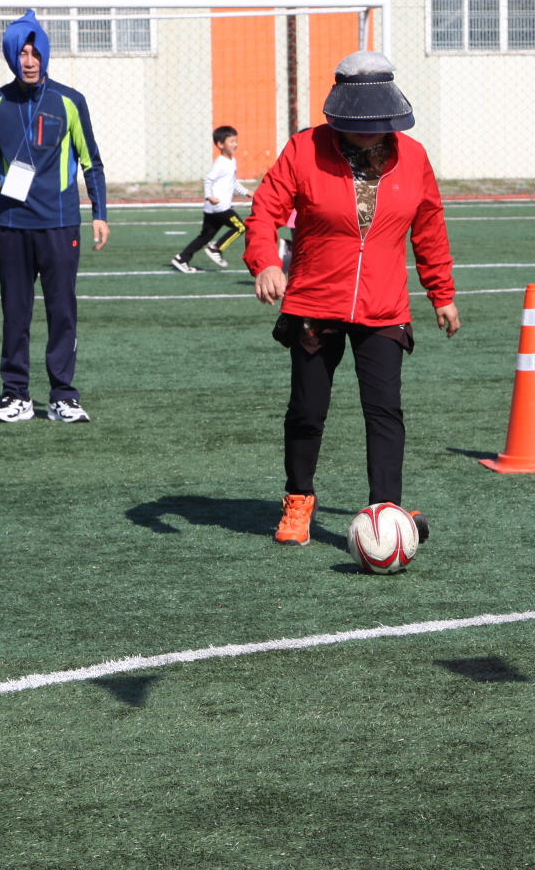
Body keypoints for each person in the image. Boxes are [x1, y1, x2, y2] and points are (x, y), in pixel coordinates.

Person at [244, 51, 460, 546]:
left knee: (384, 411)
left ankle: (386, 510)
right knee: (307, 410)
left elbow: (429, 226)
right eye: (361, 123)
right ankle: (298, 498)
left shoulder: (414, 156)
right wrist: (266, 261)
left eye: (378, 122)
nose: (370, 131)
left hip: (384, 305)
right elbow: (264, 210)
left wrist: (442, 293)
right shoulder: (303, 149)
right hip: (314, 301)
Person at [0, 11, 109, 422]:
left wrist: (99, 213)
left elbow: (91, 161)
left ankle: (63, 396)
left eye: (35, 53)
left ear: (45, 55)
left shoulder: (70, 100)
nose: (29, 61)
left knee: (62, 312)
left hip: (60, 224)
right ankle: (15, 395)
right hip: (12, 226)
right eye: (22, 53)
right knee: (15, 314)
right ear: (10, 56)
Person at [170, 125, 248, 273]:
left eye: (236, 141)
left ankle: (182, 258)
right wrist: (209, 196)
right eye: (232, 141)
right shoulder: (220, 163)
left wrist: (247, 192)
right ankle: (216, 249)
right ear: (220, 144)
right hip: (219, 207)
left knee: (205, 236)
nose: (235, 144)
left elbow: (233, 181)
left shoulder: (232, 161)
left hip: (213, 208)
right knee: (241, 227)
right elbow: (208, 181)